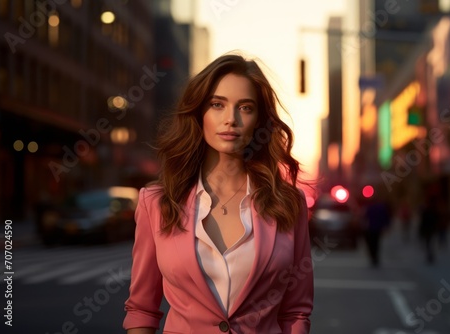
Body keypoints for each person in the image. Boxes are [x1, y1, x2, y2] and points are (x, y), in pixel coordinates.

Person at [123, 53, 314, 333]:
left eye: (245, 108)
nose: (231, 119)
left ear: (260, 120)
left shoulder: (288, 204)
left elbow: (296, 310)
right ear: (200, 114)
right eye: (217, 104)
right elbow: (142, 309)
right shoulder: (157, 202)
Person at [418, 195, 440, 264]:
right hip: (430, 229)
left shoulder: (428, 211)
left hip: (428, 229)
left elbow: (423, 221)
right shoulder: (433, 210)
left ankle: (429, 254)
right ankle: (430, 255)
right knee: (430, 243)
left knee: (429, 243)